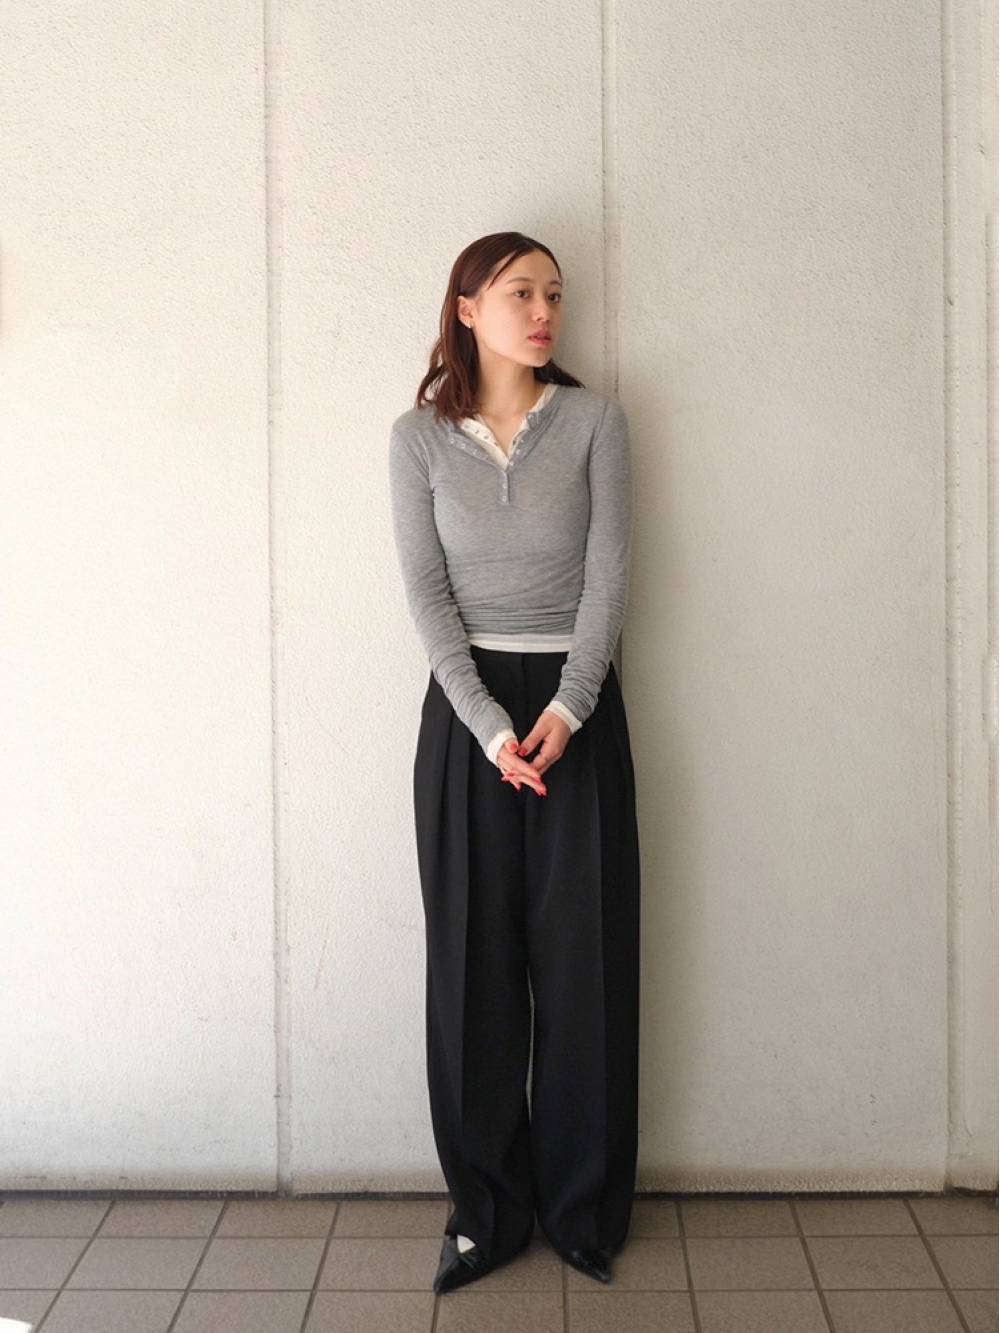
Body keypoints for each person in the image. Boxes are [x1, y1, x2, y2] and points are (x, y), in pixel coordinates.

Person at [388, 231, 641, 1294]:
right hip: (466, 719)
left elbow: (609, 575)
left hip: (580, 710)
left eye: (555, 295)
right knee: (472, 971)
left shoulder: (595, 422)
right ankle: (485, 1215)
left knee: (585, 968)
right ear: (467, 306)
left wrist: (569, 708)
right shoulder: (417, 438)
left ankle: (583, 1212)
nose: (544, 312)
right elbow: (426, 594)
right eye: (520, 293)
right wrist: (491, 727)